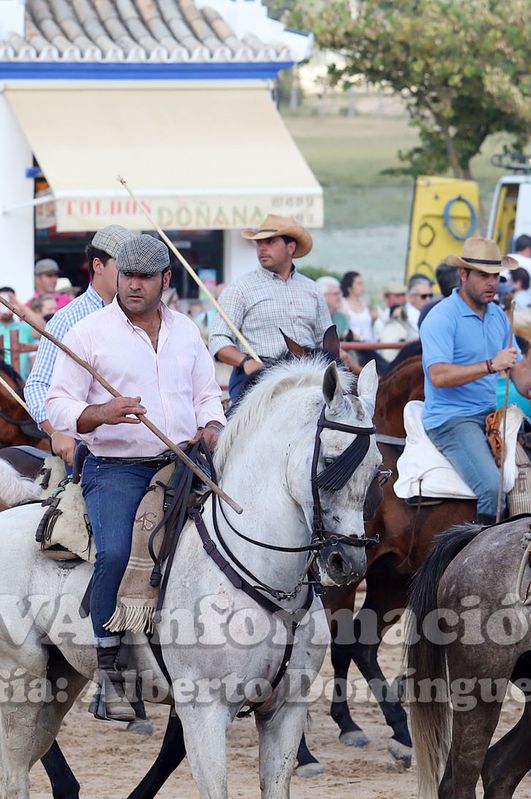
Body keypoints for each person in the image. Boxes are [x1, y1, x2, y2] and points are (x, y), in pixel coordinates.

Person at [44, 235, 224, 722]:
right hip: (116, 466)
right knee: (118, 552)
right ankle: (108, 669)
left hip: (184, 461)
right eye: (128, 276)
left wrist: (211, 426)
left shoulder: (187, 330)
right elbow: (57, 403)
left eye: (145, 277)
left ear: (166, 280)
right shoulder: (89, 332)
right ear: (116, 276)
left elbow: (207, 393)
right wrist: (101, 412)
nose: (135, 285)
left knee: (230, 538)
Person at [420, 237, 524, 524]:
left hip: (489, 415)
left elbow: (518, 365)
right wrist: (491, 365)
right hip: (450, 420)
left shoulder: (499, 318)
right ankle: (479, 558)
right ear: (463, 275)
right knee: (493, 487)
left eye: (496, 276)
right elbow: (439, 376)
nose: (492, 283)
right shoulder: (442, 317)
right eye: (483, 275)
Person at [24, 224, 135, 468]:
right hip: (90, 449)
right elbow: (37, 385)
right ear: (98, 266)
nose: (132, 276)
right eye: (123, 266)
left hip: (142, 444)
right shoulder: (68, 319)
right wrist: (58, 431)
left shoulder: (143, 315)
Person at [210, 213, 333, 405]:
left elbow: (324, 339)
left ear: (290, 247)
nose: (262, 248)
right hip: (259, 377)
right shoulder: (240, 288)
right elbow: (218, 339)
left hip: (309, 375)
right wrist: (246, 362)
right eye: (259, 243)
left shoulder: (313, 289)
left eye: (270, 242)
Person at [340, 271, 376, 340]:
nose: (362, 287)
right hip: (353, 346)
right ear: (349, 288)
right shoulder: (342, 304)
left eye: (362, 283)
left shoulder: (365, 303)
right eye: (359, 284)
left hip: (370, 345)